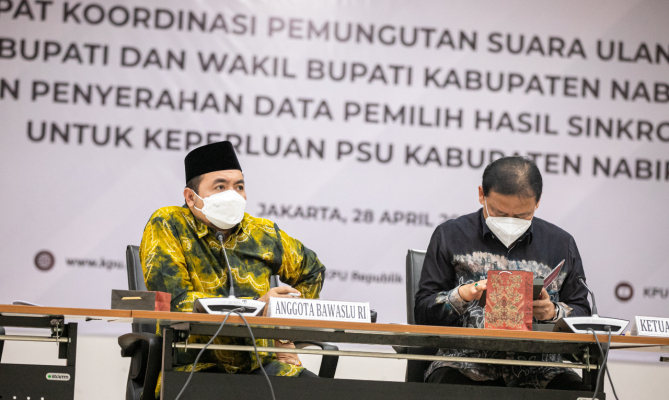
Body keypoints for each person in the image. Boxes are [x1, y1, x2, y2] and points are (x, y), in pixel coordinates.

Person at [140, 141, 325, 394]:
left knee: (322, 393)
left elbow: (312, 271)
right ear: (191, 197)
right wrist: (256, 307)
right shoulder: (168, 224)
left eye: (239, 186)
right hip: (194, 368)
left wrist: (284, 332)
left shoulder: (261, 232)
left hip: (261, 366)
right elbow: (174, 301)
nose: (233, 195)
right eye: (220, 186)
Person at [414, 156, 591, 389]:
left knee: (577, 392)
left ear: (537, 203)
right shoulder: (450, 236)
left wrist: (552, 312)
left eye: (521, 216)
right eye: (499, 212)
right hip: (466, 362)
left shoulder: (560, 244)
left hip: (541, 367)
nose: (510, 222)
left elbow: (584, 315)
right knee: (448, 387)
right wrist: (463, 295)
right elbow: (422, 312)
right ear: (482, 195)